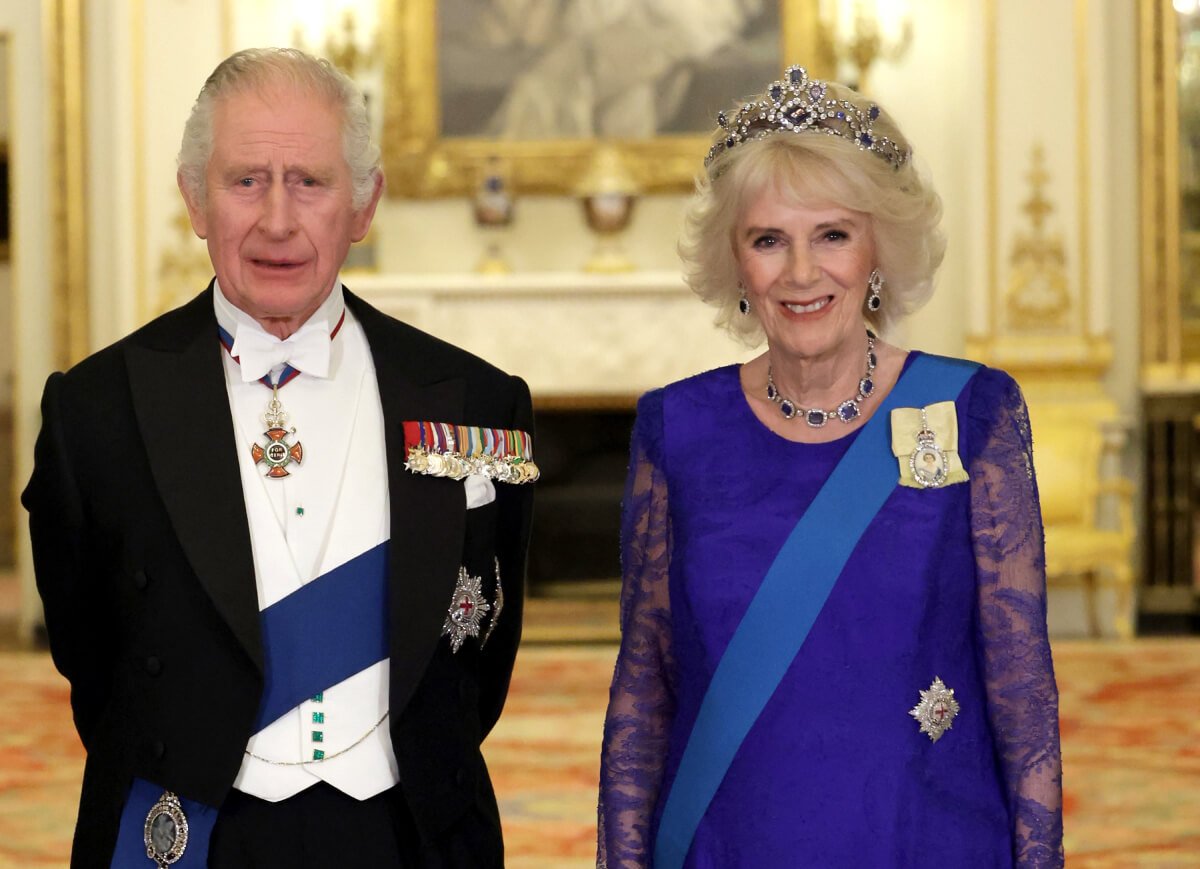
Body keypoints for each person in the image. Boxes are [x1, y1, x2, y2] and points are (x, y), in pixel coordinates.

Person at [23, 48, 536, 868]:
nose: (277, 219)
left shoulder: (473, 402)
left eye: (310, 180)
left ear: (364, 204)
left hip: (405, 836)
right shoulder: (96, 412)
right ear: (194, 198)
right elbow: (95, 659)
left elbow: (480, 657)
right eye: (245, 180)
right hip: (192, 836)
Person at [597, 66, 1063, 867]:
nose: (803, 273)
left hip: (925, 839)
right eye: (769, 239)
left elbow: (1024, 698)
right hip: (728, 841)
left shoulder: (972, 412)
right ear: (736, 261)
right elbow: (644, 689)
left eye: (833, 235)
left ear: (879, 245)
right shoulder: (677, 429)